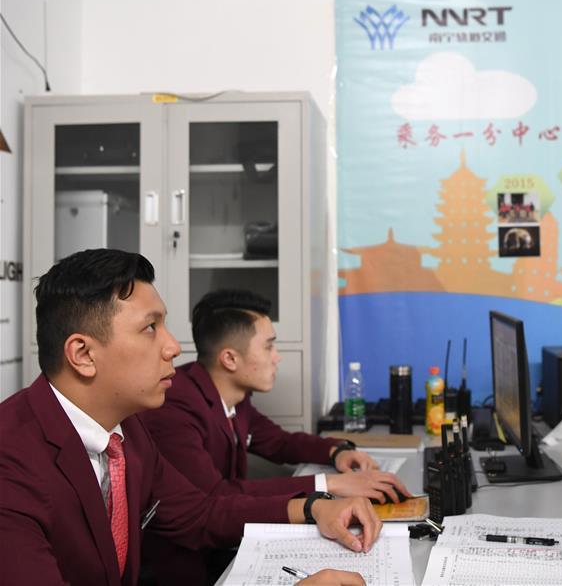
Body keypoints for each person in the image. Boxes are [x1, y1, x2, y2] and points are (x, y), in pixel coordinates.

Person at [0, 249, 375, 586]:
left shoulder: (127, 430)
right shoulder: (11, 460)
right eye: (151, 327)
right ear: (83, 354)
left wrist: (312, 506)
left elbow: (198, 513)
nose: (174, 347)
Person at [140, 288, 412, 584]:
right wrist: (329, 485)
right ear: (230, 358)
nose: (277, 357)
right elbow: (215, 495)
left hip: (227, 548)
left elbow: (280, 442)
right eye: (269, 346)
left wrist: (337, 451)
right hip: (189, 569)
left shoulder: (232, 395)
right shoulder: (175, 404)